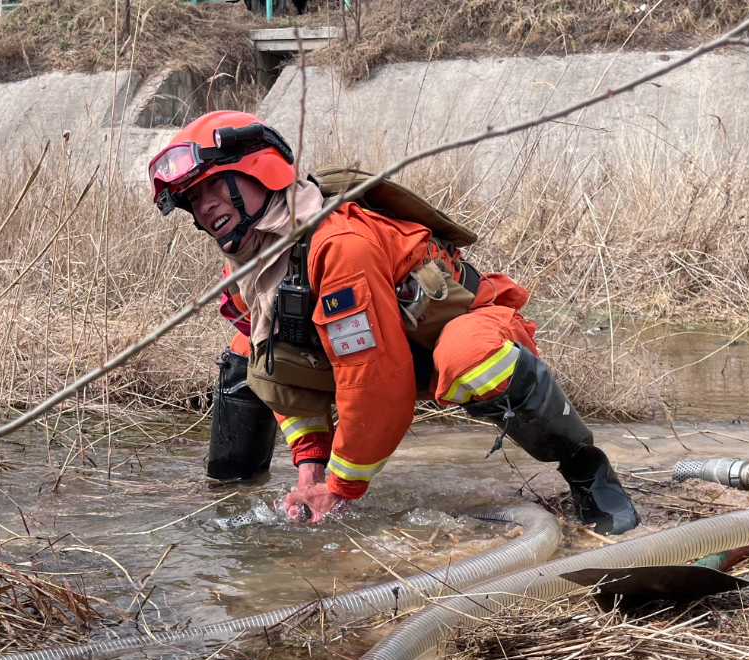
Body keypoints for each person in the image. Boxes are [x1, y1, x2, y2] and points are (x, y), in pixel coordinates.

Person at [148, 111, 639, 535]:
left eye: (214, 185)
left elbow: (377, 383)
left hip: (452, 336)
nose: (204, 204)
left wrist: (341, 489)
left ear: (261, 172)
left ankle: (588, 472)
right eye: (192, 197)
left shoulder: (339, 246)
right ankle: (231, 489)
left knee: (469, 361)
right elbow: (285, 376)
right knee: (246, 353)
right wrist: (309, 471)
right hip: (381, 351)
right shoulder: (247, 265)